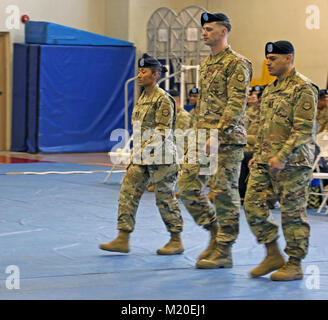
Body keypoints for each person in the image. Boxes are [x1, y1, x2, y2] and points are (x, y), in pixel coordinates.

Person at [178, 12, 252, 269]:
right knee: (186, 187)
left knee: (223, 192)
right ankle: (214, 231)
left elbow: (236, 104)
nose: (204, 32)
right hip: (202, 137)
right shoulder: (206, 64)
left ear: (224, 31)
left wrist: (218, 136)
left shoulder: (237, 63)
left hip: (226, 140)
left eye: (210, 29)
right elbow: (203, 106)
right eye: (204, 29)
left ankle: (224, 250)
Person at [244, 41, 319, 281]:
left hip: (294, 163)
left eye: (274, 58)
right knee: (252, 205)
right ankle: (272, 253)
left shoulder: (303, 88)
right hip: (266, 160)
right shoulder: (269, 89)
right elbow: (265, 127)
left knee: (292, 214)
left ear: (288, 59)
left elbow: (303, 129)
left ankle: (295, 263)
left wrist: (282, 155)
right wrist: (257, 154)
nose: (268, 62)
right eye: (267, 58)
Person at [99, 53, 184, 255]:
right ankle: (123, 237)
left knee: (165, 199)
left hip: (161, 158)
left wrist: (142, 151)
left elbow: (162, 132)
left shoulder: (163, 99)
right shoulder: (143, 98)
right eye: (138, 71)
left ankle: (176, 239)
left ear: (155, 75)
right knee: (128, 191)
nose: (139, 75)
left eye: (143, 71)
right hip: (141, 157)